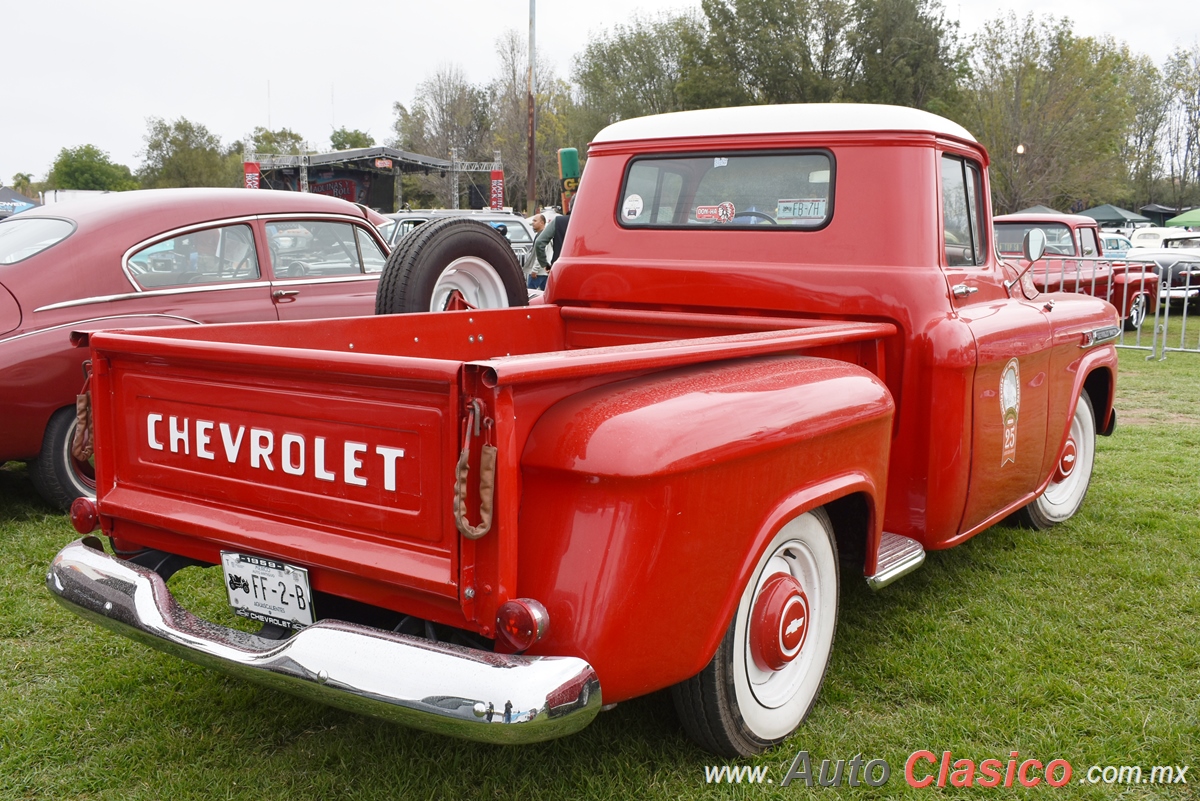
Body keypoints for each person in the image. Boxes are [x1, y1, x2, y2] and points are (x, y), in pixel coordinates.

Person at [529, 212, 571, 290]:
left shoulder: (558, 221)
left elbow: (539, 243)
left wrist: (545, 265)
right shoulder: (590, 222)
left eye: (535, 221)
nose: (532, 223)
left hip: (559, 269)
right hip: (584, 270)